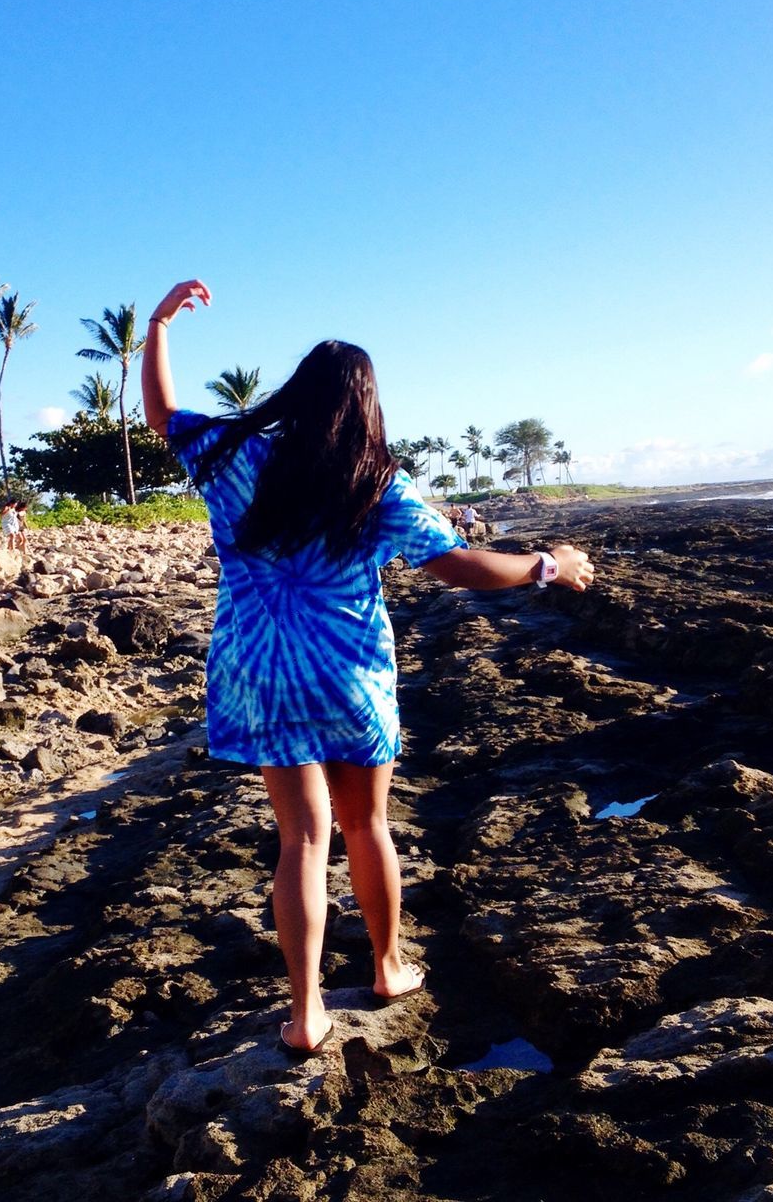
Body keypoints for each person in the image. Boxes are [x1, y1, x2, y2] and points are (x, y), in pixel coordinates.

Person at [142, 279, 594, 1058]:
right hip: (349, 675)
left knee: (302, 840)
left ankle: (307, 1013)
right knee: (366, 825)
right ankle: (387, 967)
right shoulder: (379, 483)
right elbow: (457, 565)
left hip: (262, 672)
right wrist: (548, 565)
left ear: (294, 397)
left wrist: (158, 325)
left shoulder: (233, 457)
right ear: (366, 407)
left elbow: (159, 414)